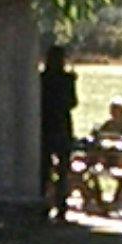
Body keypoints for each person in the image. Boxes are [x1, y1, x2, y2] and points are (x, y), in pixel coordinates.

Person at [39, 45, 78, 222]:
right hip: (62, 126)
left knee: (44, 169)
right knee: (63, 169)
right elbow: (72, 103)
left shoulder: (42, 79)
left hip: (46, 125)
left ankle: (43, 203)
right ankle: (61, 205)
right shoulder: (67, 79)